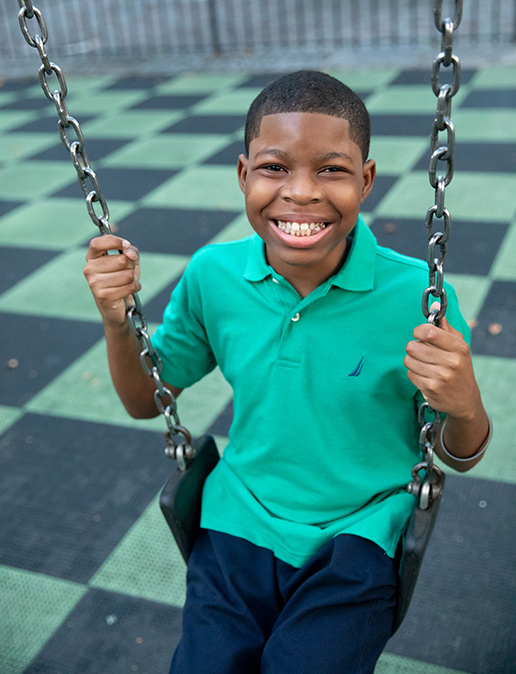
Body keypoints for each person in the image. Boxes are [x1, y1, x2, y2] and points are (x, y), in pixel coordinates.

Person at [83, 70, 491, 674]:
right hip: (236, 518)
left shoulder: (418, 296)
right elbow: (149, 400)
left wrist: (464, 405)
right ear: (245, 175)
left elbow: (459, 453)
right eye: (275, 168)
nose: (301, 193)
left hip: (358, 533)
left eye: (331, 169)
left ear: (366, 180)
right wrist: (119, 323)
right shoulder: (213, 276)